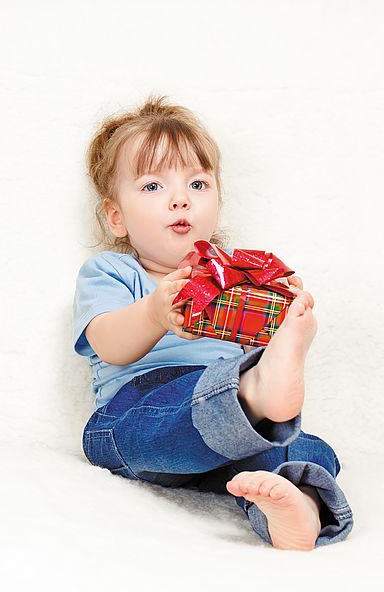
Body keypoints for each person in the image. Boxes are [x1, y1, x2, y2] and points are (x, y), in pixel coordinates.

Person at [72, 94, 353, 550]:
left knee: (299, 448)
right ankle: (251, 394)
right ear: (116, 217)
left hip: (224, 426)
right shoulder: (112, 272)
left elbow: (250, 333)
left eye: (198, 185)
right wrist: (153, 313)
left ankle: (299, 507)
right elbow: (107, 343)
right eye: (152, 187)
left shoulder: (232, 279)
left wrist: (283, 313)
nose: (181, 199)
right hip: (134, 412)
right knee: (178, 415)